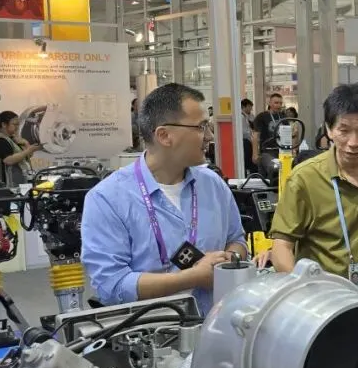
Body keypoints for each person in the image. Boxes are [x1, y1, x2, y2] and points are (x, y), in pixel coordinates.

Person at [81, 83, 246, 316]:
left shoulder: (213, 185)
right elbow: (112, 286)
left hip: (217, 323)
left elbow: (236, 239)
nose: (210, 136)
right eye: (201, 127)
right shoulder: (107, 199)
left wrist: (229, 260)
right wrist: (192, 277)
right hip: (151, 330)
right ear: (164, 135)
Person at [268, 83, 358, 301]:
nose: (354, 142)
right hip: (323, 308)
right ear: (329, 130)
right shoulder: (304, 178)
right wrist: (301, 300)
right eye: (344, 131)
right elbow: (281, 247)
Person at [0, 111, 40, 187]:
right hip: (6, 186)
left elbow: (28, 155)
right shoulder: (0, 141)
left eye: (18, 124)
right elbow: (8, 160)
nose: (17, 127)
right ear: (4, 124)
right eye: (14, 124)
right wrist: (28, 150)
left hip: (19, 183)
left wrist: (26, 143)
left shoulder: (13, 139)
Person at [252, 92, 284, 164]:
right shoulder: (261, 117)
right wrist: (255, 154)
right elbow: (255, 136)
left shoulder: (283, 116)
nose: (279, 105)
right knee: (273, 167)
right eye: (276, 103)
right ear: (269, 103)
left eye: (280, 103)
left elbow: (288, 134)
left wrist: (293, 150)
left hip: (282, 150)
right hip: (267, 151)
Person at [240, 98, 254, 174]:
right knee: (247, 159)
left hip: (250, 140)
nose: (251, 108)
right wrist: (251, 139)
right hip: (245, 141)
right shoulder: (241, 117)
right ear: (243, 106)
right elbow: (244, 132)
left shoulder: (250, 116)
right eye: (249, 106)